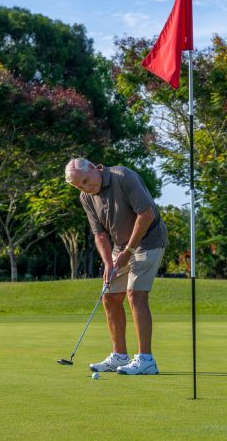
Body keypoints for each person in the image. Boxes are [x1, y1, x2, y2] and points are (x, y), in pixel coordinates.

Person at [64, 158, 168, 375]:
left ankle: (146, 359)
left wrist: (128, 252)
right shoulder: (86, 197)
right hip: (121, 246)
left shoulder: (123, 177)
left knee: (135, 294)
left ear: (94, 168)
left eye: (85, 181)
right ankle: (119, 355)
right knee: (109, 297)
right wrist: (108, 263)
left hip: (148, 239)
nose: (85, 187)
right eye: (79, 186)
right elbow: (99, 234)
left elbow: (146, 215)